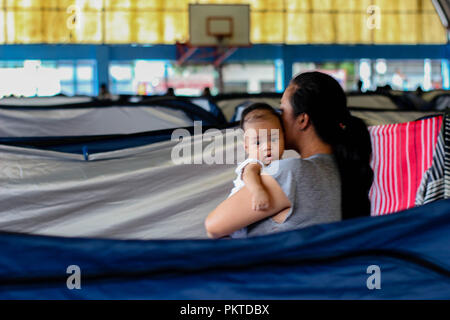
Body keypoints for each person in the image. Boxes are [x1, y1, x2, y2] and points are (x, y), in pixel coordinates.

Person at [205, 71, 373, 239]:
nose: (278, 118)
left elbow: (212, 226)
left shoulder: (291, 171)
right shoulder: (337, 168)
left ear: (302, 120)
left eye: (282, 110)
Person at [227, 103, 287, 238]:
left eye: (273, 138)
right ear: (247, 146)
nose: (267, 146)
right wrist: (258, 191)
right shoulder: (254, 163)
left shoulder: (283, 165)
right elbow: (249, 174)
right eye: (258, 143)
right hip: (238, 220)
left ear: (284, 137)